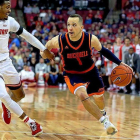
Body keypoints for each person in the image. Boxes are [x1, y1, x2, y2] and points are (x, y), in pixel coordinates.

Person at [40, 14, 133, 135]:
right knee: (83, 95)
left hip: (90, 71)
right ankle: (105, 122)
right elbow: (43, 49)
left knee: (99, 97)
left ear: (81, 27)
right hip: (72, 74)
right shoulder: (59, 40)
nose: (70, 28)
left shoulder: (90, 39)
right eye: (68, 25)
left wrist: (120, 63)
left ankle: (103, 112)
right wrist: (45, 54)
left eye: (74, 25)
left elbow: (103, 51)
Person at [0, 0, 51, 136]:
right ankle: (31, 123)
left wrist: (43, 48)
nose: (9, 10)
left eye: (10, 7)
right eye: (7, 7)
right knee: (3, 94)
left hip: (6, 62)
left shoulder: (10, 21)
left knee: (20, 95)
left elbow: (27, 36)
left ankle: (6, 105)